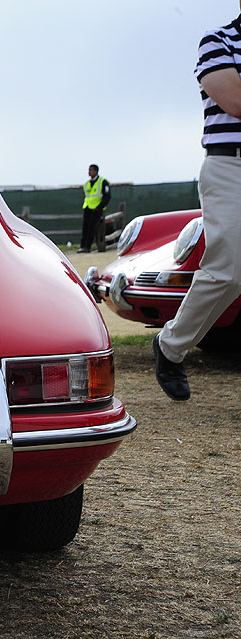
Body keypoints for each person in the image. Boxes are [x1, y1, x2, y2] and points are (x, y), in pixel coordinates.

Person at [154, 4, 241, 401]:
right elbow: (234, 100)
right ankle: (170, 347)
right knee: (227, 271)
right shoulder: (219, 40)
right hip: (230, 167)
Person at [78, 164, 111, 253]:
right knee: (85, 227)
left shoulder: (103, 182)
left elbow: (107, 196)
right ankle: (82, 246)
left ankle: (88, 246)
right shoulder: (86, 184)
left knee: (92, 227)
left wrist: (100, 207)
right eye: (89, 170)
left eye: (91, 170)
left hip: (97, 209)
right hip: (87, 207)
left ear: (96, 171)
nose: (89, 172)